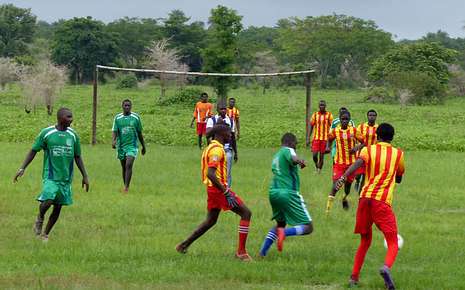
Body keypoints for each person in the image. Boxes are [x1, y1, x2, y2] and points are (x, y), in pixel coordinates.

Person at [333, 123, 405, 290]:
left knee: (365, 240)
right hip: (381, 201)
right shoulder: (398, 154)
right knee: (392, 242)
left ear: (377, 136)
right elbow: (400, 177)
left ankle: (353, 278)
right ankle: (386, 267)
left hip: (364, 199)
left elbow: (358, 164)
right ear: (392, 138)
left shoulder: (368, 150)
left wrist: (343, 177)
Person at [176, 124, 253, 261]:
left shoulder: (210, 147)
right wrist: (226, 192)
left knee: (211, 221)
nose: (231, 135)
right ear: (221, 134)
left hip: (213, 189)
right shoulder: (217, 150)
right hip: (218, 190)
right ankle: (241, 252)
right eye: (229, 133)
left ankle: (183, 245)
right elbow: (210, 173)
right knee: (246, 213)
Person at [13, 107, 89, 241]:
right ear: (60, 118)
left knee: (58, 207)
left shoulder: (73, 135)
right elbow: (33, 150)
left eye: (72, 116)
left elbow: (77, 156)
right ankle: (40, 217)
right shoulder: (47, 133)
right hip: (50, 176)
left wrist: (85, 176)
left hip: (65, 178)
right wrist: (22, 168)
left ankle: (45, 234)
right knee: (48, 200)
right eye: (68, 117)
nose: (71, 119)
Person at [259, 133, 313, 257]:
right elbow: (293, 158)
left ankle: (262, 252)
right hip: (288, 193)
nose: (296, 147)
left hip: (274, 193)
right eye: (296, 144)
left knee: (280, 224)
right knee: (308, 227)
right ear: (290, 142)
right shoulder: (288, 150)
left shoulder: (277, 155)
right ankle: (284, 233)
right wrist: (300, 161)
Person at [325, 111, 363, 213]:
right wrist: (328, 147)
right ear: (340, 119)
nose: (345, 121)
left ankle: (344, 198)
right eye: (343, 119)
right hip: (339, 163)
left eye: (347, 119)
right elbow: (329, 139)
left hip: (351, 165)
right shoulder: (335, 131)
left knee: (347, 188)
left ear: (349, 119)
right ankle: (327, 211)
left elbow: (363, 142)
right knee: (335, 186)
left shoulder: (354, 131)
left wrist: (356, 148)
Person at [112, 99, 146, 193]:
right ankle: (125, 186)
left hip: (132, 146)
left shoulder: (136, 117)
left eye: (128, 106)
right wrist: (113, 141)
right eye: (125, 105)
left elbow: (139, 132)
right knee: (124, 167)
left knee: (129, 164)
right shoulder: (117, 118)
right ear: (122, 106)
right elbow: (115, 131)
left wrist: (143, 146)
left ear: (131, 107)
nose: (127, 107)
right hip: (121, 146)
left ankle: (126, 188)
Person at [207, 103, 235, 186]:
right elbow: (207, 134)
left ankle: (227, 188)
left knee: (227, 171)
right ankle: (218, 187)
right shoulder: (212, 120)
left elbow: (232, 137)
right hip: (216, 148)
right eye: (221, 109)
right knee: (215, 170)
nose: (223, 110)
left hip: (227, 149)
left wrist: (235, 152)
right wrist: (218, 126)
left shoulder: (230, 120)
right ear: (217, 110)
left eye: (224, 109)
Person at [354, 109, 379, 192]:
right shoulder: (361, 127)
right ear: (367, 116)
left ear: (376, 117)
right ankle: (357, 181)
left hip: (372, 154)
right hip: (361, 153)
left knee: (366, 174)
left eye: (373, 115)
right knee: (358, 173)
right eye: (370, 115)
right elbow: (356, 138)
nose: (371, 117)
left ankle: (361, 192)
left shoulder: (378, 128)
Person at [307, 100, 333, 173]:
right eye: (320, 105)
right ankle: (316, 165)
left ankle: (319, 170)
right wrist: (308, 137)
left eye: (323, 105)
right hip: (316, 138)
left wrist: (330, 140)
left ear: (325, 106)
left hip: (325, 139)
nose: (322, 106)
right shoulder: (315, 115)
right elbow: (311, 126)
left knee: (321, 156)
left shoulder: (329, 115)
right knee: (314, 155)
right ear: (318, 106)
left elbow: (332, 127)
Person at [227, 97, 240, 162]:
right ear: (228, 102)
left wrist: (238, 132)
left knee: (233, 143)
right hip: (226, 130)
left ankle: (236, 154)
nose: (232, 103)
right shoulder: (225, 110)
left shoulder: (236, 111)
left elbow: (237, 121)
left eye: (233, 102)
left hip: (232, 130)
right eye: (231, 102)